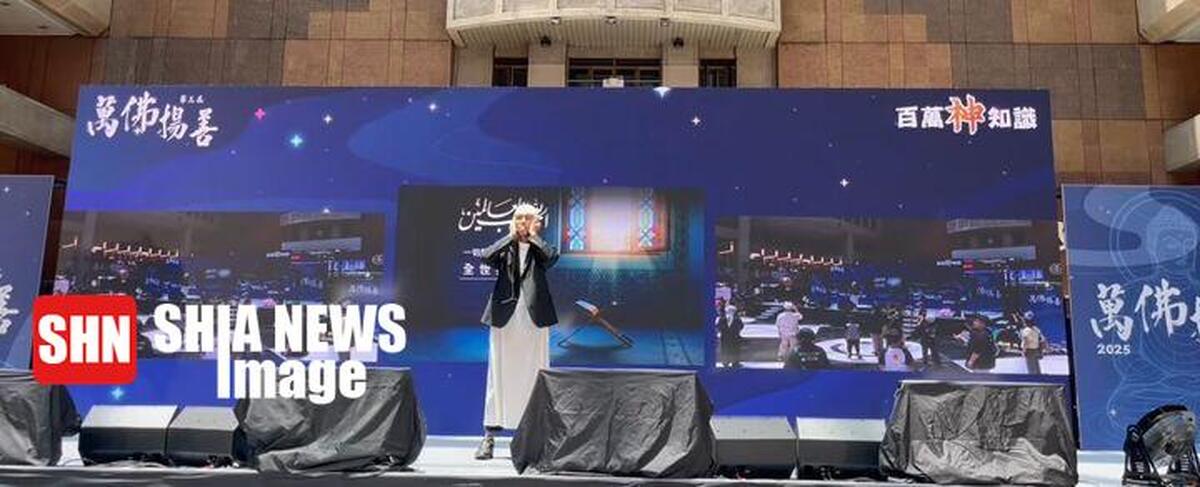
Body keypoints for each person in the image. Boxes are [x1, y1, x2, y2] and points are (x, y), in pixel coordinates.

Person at [474, 203, 559, 460]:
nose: (522, 222)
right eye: (519, 218)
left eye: (528, 218)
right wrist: (511, 236)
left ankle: (539, 438)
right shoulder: (506, 246)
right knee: (498, 376)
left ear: (536, 222)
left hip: (534, 319)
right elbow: (486, 256)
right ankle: (489, 437)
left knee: (537, 374)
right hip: (505, 317)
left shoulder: (540, 248)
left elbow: (551, 258)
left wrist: (532, 237)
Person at [717, 303, 744, 368]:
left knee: (735, 350)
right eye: (729, 310)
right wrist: (724, 331)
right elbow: (719, 326)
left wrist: (736, 331)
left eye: (732, 311)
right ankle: (725, 362)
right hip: (725, 337)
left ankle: (735, 363)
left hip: (734, 337)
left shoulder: (737, 319)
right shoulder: (722, 318)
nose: (730, 312)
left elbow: (741, 326)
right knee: (725, 350)